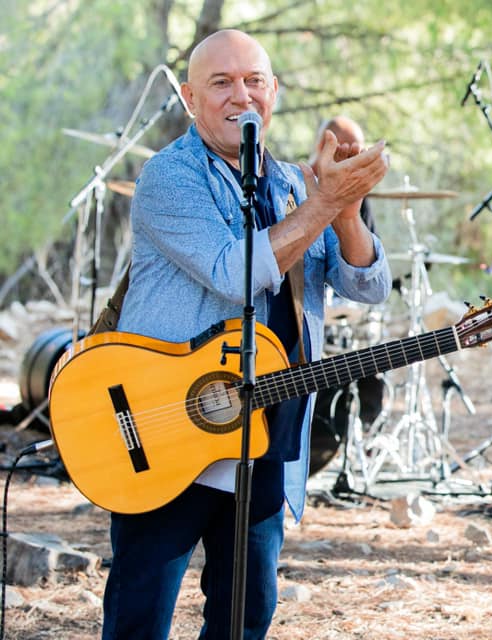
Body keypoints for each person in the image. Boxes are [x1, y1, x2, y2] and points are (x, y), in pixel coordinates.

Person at [100, 30, 392, 639]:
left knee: (247, 617)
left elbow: (366, 285)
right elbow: (234, 272)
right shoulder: (168, 176)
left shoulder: (293, 184)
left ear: (273, 91)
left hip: (263, 435)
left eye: (254, 81)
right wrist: (323, 204)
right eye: (222, 83)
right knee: (140, 620)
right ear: (190, 98)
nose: (242, 96)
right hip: (164, 434)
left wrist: (344, 211)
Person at [306, 115, 386, 475]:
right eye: (345, 150)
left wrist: (349, 214)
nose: (353, 158)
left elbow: (370, 282)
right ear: (323, 146)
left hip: (340, 309)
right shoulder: (290, 186)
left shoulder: (357, 197)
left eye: (358, 151)